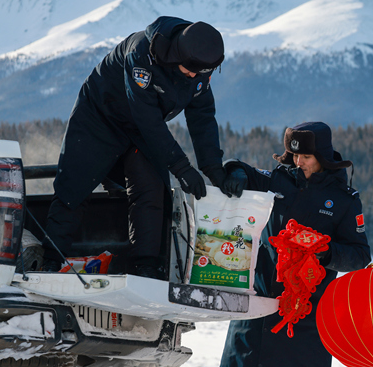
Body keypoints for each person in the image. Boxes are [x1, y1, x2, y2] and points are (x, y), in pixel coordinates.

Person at [41, 16, 238, 278]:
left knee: (151, 187)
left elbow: (202, 117)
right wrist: (182, 167)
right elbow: (149, 121)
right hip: (100, 117)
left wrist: (214, 168)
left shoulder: (199, 64)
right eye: (189, 71)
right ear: (176, 53)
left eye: (200, 73)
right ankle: (50, 262)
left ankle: (144, 268)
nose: (193, 76)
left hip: (141, 128)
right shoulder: (142, 55)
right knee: (74, 186)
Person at [217, 122, 370, 367]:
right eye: (294, 155)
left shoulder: (345, 200)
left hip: (307, 308)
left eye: (307, 157)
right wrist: (234, 171)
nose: (298, 162)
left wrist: (324, 252)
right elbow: (243, 170)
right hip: (262, 297)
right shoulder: (277, 179)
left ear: (323, 157)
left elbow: (359, 255)